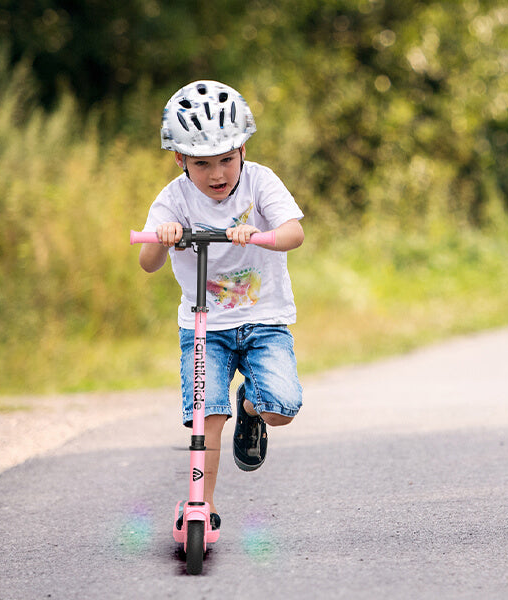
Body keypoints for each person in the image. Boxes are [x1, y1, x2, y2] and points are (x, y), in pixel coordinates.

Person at [139, 80, 307, 530]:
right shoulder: (174, 198)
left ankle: (251, 409)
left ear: (243, 149)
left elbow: (294, 232)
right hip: (204, 327)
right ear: (180, 160)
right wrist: (163, 235)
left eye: (226, 160)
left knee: (281, 407)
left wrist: (260, 234)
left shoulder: (260, 182)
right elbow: (147, 262)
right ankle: (200, 506)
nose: (217, 174)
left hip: (264, 320)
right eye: (202, 164)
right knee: (206, 416)